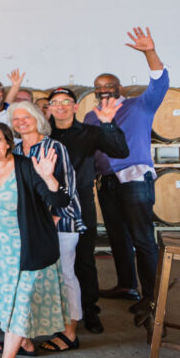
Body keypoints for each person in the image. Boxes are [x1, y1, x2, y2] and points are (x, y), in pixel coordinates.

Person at [0, 122, 70, 358]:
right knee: (8, 296)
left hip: (27, 243)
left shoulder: (27, 166)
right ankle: (24, 342)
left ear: (8, 142)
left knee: (23, 297)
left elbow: (61, 201)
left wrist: (50, 177)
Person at [84, 27, 168, 330]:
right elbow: (92, 151)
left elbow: (160, 82)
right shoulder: (92, 116)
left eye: (109, 84)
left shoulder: (139, 105)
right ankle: (126, 284)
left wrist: (149, 52)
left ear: (120, 87)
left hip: (135, 179)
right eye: (99, 86)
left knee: (143, 238)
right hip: (107, 182)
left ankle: (152, 298)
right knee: (118, 236)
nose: (104, 89)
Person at [48, 87, 129, 334]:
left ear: (75, 107)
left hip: (81, 201)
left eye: (66, 102)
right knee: (50, 259)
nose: (60, 106)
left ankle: (89, 310)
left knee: (83, 259)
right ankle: (52, 310)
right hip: (47, 203)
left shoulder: (90, 132)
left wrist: (108, 124)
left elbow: (121, 151)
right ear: (49, 107)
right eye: (55, 102)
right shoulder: (42, 133)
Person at [9, 101, 83, 354]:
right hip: (33, 226)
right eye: (16, 119)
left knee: (64, 276)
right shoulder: (16, 149)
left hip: (60, 222)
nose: (21, 122)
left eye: (25, 117)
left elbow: (68, 188)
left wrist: (52, 217)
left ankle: (70, 333)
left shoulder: (54, 147)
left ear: (37, 118)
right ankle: (26, 335)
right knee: (37, 280)